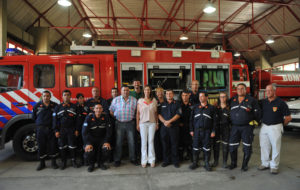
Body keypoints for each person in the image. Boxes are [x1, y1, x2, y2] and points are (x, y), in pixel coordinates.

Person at [258, 84, 291, 174]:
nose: (267, 92)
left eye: (270, 90)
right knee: (264, 146)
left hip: (276, 127)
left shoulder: (280, 102)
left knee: (276, 147)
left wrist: (281, 125)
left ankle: (274, 166)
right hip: (264, 126)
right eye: (266, 91)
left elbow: (288, 117)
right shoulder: (263, 102)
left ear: (274, 91)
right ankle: (265, 163)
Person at [229, 83, 261, 171]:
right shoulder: (233, 99)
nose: (240, 90)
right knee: (232, 146)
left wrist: (255, 123)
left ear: (245, 90)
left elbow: (258, 113)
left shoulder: (252, 100)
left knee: (247, 147)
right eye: (238, 89)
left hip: (247, 128)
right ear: (236, 90)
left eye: (242, 89)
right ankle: (233, 163)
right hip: (234, 127)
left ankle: (244, 165)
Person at [109, 85, 138, 167]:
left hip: (130, 123)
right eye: (124, 90)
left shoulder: (134, 100)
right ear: (121, 92)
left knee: (132, 142)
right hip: (119, 123)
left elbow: (137, 111)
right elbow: (111, 111)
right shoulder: (116, 100)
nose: (125, 92)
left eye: (127, 90)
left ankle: (133, 159)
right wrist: (116, 118)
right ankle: (117, 160)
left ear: (129, 91)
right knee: (118, 142)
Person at [189, 92, 216, 171]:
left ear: (207, 97)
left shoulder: (211, 108)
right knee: (195, 147)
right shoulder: (195, 107)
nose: (200, 98)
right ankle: (195, 163)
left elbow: (214, 121)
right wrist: (191, 130)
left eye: (202, 96)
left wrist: (213, 131)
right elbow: (191, 120)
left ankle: (206, 163)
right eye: (199, 96)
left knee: (207, 148)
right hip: (197, 131)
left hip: (207, 131)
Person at [32, 90, 58, 171]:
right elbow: (34, 117)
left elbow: (57, 118)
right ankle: (42, 163)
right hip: (41, 129)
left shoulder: (55, 105)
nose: (46, 97)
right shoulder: (37, 106)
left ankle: (53, 163)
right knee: (41, 146)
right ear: (42, 97)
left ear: (50, 97)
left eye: (47, 96)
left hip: (51, 129)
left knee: (53, 146)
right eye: (44, 96)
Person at [53, 90, 79, 170]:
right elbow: (54, 120)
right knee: (62, 147)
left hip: (72, 129)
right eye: (65, 95)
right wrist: (56, 130)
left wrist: (77, 129)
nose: (66, 96)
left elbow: (78, 120)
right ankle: (63, 162)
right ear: (62, 96)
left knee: (72, 146)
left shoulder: (74, 107)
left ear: (70, 96)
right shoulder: (58, 107)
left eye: (68, 95)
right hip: (61, 130)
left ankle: (73, 161)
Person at [83, 103, 112, 172]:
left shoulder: (106, 117)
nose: (98, 110)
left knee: (106, 149)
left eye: (100, 108)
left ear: (102, 109)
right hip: (91, 139)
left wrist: (106, 141)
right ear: (94, 109)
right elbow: (84, 132)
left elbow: (109, 131)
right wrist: (88, 143)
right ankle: (91, 164)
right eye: (96, 108)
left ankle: (101, 163)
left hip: (102, 139)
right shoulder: (89, 118)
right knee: (88, 151)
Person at [158, 89, 181, 168]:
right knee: (165, 144)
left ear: (173, 94)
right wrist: (164, 122)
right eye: (167, 93)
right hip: (164, 128)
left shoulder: (177, 103)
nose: (168, 95)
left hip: (174, 127)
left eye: (170, 93)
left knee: (174, 144)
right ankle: (166, 161)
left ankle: (175, 161)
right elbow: (158, 115)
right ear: (165, 95)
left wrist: (169, 121)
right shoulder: (162, 104)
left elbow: (178, 114)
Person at [136, 85, 158, 168]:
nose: (147, 91)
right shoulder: (140, 101)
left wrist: (157, 123)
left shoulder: (154, 100)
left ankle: (152, 160)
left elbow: (156, 113)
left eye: (148, 90)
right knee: (144, 142)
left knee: (151, 141)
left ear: (150, 91)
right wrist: (137, 124)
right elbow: (137, 113)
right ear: (143, 91)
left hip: (152, 123)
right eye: (146, 90)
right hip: (143, 124)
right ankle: (144, 160)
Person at [212, 92, 231, 168]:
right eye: (221, 97)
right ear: (219, 98)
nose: (222, 98)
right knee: (216, 146)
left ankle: (224, 162)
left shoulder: (229, 108)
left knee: (225, 146)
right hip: (217, 128)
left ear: (226, 97)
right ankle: (215, 161)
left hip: (226, 128)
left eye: (224, 97)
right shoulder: (215, 107)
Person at [178, 90, 193, 162]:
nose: (184, 97)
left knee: (190, 143)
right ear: (181, 96)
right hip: (181, 127)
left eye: (186, 95)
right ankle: (180, 157)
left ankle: (190, 156)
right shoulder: (178, 105)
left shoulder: (192, 105)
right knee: (181, 143)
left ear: (189, 95)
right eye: (183, 95)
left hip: (190, 127)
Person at [75, 93, 89, 165]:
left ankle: (87, 159)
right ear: (77, 99)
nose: (81, 99)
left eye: (82, 98)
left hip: (86, 129)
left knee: (86, 143)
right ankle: (81, 160)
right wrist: (76, 130)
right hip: (78, 129)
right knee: (79, 145)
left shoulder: (87, 106)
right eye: (79, 98)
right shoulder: (74, 107)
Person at [154, 87, 165, 162]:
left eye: (161, 92)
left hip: (164, 123)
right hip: (156, 123)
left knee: (164, 140)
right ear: (156, 93)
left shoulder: (166, 101)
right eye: (158, 92)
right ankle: (158, 157)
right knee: (156, 141)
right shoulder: (154, 101)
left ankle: (165, 157)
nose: (160, 93)